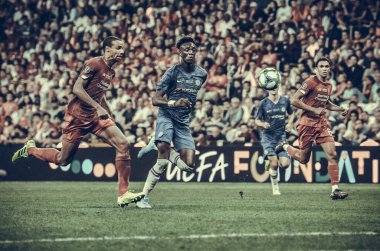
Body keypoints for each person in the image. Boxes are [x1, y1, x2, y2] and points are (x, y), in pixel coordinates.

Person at [11, 36, 144, 207]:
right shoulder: (94, 64)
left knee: (123, 144)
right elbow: (77, 88)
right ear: (107, 49)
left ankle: (123, 194)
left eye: (123, 48)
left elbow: (99, 94)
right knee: (62, 160)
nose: (122, 51)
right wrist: (98, 107)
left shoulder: (111, 72)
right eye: (118, 47)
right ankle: (30, 149)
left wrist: (107, 110)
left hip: (95, 117)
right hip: (77, 117)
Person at [136, 36, 207, 209]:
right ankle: (143, 198)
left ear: (196, 51)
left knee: (188, 166)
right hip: (167, 115)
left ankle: (157, 143)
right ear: (179, 52)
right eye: (186, 49)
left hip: (183, 122)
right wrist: (174, 102)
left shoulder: (202, 74)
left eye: (192, 49)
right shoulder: (172, 72)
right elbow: (155, 99)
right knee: (162, 161)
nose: (189, 52)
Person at [275, 57, 348, 200]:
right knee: (303, 159)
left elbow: (326, 104)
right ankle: (284, 147)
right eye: (322, 66)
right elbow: (294, 100)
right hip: (306, 124)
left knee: (332, 154)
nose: (325, 68)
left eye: (327, 66)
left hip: (321, 124)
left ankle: (335, 190)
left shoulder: (329, 85)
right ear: (316, 69)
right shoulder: (310, 82)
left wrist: (340, 109)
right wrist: (313, 110)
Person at [255, 85, 294, 195]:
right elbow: (256, 120)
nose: (273, 88)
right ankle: (275, 187)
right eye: (271, 86)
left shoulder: (285, 100)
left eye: (275, 86)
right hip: (268, 137)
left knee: (285, 164)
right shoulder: (263, 103)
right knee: (274, 163)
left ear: (279, 87)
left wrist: (290, 123)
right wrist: (263, 124)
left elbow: (292, 114)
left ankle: (270, 158)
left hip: (281, 137)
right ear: (267, 89)